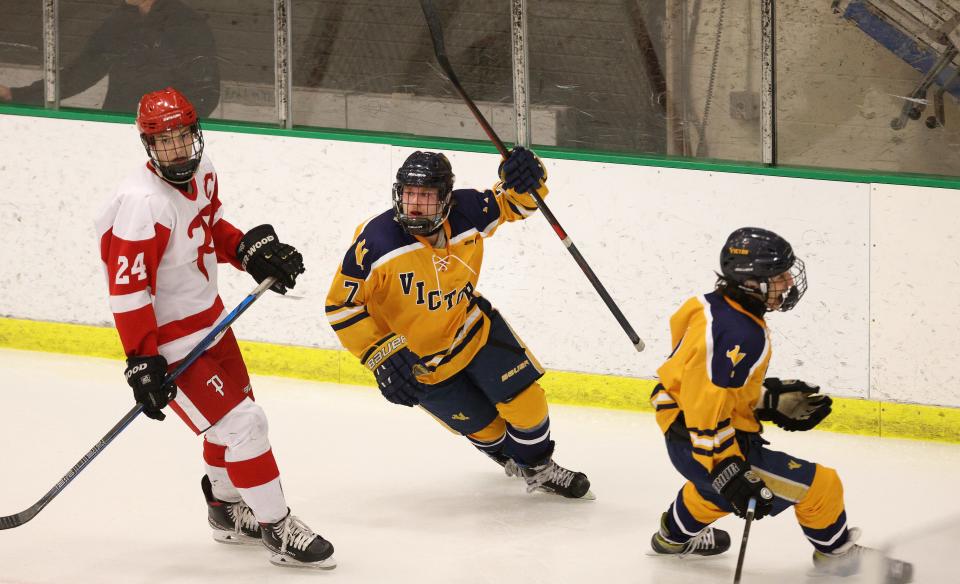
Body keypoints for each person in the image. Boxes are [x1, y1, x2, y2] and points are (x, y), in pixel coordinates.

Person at [95, 87, 334, 569]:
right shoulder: (143, 205)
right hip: (171, 340)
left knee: (235, 419)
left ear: (195, 135)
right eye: (163, 142)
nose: (176, 150)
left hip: (213, 320)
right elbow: (128, 291)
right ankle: (278, 528)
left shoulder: (202, 175)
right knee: (246, 427)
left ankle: (226, 511)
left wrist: (249, 251)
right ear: (148, 145)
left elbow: (211, 227)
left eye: (182, 137)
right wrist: (143, 359)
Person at [647, 227, 912, 582]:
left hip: (684, 433)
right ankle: (837, 556)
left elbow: (701, 385)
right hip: (703, 443)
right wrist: (727, 468)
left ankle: (671, 539)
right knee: (820, 486)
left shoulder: (709, 306)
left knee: (712, 493)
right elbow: (706, 409)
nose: (788, 281)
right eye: (779, 275)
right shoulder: (740, 334)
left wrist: (766, 400)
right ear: (752, 282)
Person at [325, 149, 593, 499]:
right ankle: (508, 453)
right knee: (491, 434)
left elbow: (519, 203)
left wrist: (529, 175)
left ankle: (540, 467)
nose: (416, 204)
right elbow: (340, 306)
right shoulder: (377, 242)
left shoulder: (469, 210)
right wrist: (381, 354)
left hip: (474, 331)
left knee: (527, 404)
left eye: (426, 196)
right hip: (421, 361)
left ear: (446, 198)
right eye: (409, 194)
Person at [1, 0, 219, 116]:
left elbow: (206, 93)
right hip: (117, 129)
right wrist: (17, 94)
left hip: (165, 141)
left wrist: (172, 132)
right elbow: (81, 73)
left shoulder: (187, 24)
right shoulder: (119, 23)